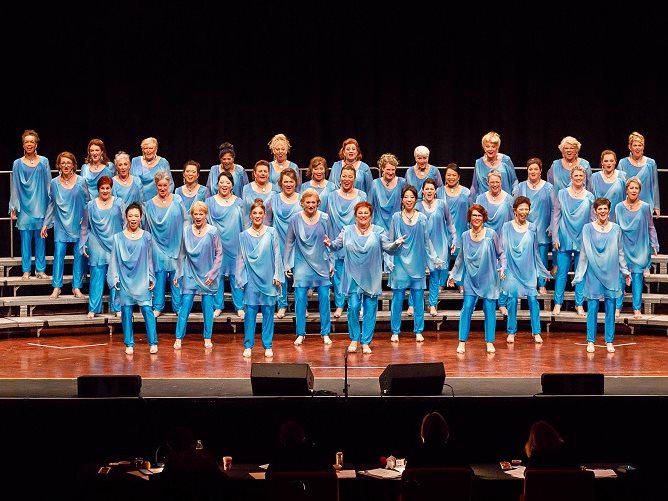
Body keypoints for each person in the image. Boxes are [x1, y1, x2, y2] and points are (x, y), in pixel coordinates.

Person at [325, 202, 404, 353]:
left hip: (371, 276)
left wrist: (396, 243)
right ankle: (354, 339)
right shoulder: (347, 230)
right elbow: (336, 246)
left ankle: (366, 341)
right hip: (352, 275)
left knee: (370, 309)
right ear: (355, 215)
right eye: (360, 213)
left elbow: (388, 248)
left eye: (366, 213)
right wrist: (329, 244)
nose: (363, 216)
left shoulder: (378, 231)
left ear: (371, 215)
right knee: (353, 307)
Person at [573, 198, 630, 353]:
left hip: (611, 273)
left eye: (605, 208)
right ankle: (590, 341)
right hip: (593, 272)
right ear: (595, 211)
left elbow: (620, 252)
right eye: (600, 209)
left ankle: (609, 341)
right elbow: (584, 252)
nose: (602, 211)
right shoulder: (587, 228)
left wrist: (625, 271)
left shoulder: (616, 229)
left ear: (609, 210)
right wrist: (579, 275)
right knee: (592, 308)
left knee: (610, 308)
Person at [448, 204, 506, 354]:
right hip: (471, 278)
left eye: (479, 215)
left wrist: (503, 267)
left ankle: (489, 341)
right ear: (470, 217)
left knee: (489, 309)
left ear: (483, 217)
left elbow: (501, 253)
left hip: (489, 278)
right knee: (467, 307)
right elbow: (460, 258)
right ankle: (462, 341)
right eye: (474, 215)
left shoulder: (491, 234)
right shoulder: (465, 235)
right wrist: (453, 274)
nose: (476, 218)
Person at [388, 185, 443, 342]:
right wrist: (389, 260)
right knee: (397, 300)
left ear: (416, 199)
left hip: (417, 262)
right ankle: (395, 331)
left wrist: (434, 258)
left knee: (418, 299)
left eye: (412, 197)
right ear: (402, 199)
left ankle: (418, 330)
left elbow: (427, 241)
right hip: (399, 263)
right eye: (406, 197)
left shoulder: (422, 218)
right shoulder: (396, 217)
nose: (409, 200)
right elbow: (390, 241)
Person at [107, 202, 158, 354]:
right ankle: (129, 343)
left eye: (136, 216)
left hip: (142, 278)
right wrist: (115, 278)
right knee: (126, 312)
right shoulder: (118, 238)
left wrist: (151, 277)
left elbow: (150, 259)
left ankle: (153, 342)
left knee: (147, 310)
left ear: (141, 217)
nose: (133, 218)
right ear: (126, 217)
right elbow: (114, 260)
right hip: (125, 280)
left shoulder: (147, 236)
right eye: (131, 216)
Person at [236, 200, 284, 358]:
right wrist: (240, 278)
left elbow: (277, 254)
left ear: (264, 215)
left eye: (260, 213)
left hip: (268, 278)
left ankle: (267, 345)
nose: (257, 216)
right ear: (250, 215)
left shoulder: (271, 232)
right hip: (251, 279)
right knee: (250, 314)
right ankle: (248, 345)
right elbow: (240, 259)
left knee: (268, 313)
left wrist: (278, 275)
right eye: (254, 213)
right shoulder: (243, 236)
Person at [284, 189, 332, 346]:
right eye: (308, 202)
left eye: (313, 202)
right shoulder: (295, 219)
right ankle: (300, 333)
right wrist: (287, 263)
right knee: (300, 299)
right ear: (302, 203)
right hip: (301, 264)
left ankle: (325, 333)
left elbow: (330, 241)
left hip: (322, 263)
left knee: (324, 299)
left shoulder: (325, 218)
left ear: (318, 203)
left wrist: (331, 262)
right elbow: (289, 242)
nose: (310, 205)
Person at [501, 197, 552, 344]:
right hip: (512, 269)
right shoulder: (506, 226)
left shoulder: (532, 227)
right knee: (512, 301)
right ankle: (511, 332)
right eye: (521, 209)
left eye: (526, 209)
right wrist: (503, 268)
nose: (524, 212)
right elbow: (503, 249)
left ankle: (536, 332)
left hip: (528, 270)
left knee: (533, 300)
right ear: (514, 211)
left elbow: (535, 252)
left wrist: (542, 270)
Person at [174, 201, 222, 350]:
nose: (198, 216)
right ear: (192, 215)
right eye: (196, 214)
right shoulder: (186, 231)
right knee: (184, 307)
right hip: (190, 273)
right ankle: (178, 338)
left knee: (208, 309)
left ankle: (207, 337)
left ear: (206, 215)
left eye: (201, 213)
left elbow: (219, 254)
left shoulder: (213, 231)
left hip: (207, 275)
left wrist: (213, 273)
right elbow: (181, 254)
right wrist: (178, 273)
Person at [41, 152, 89, 299]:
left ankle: (76, 287)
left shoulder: (81, 181)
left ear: (74, 165)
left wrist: (85, 221)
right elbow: (51, 204)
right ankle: (57, 287)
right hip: (61, 223)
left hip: (77, 223)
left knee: (79, 256)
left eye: (69, 163)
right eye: (63, 163)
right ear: (59, 165)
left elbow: (87, 203)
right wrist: (45, 224)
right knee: (58, 255)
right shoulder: (54, 183)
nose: (66, 165)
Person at [551, 166, 595, 315]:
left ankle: (579, 304)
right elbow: (556, 216)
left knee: (580, 272)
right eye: (575, 175)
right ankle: (558, 303)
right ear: (571, 177)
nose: (578, 178)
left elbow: (592, 219)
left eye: (581, 176)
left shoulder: (590, 196)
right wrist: (555, 237)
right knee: (561, 272)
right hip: (564, 236)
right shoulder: (562, 193)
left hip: (582, 237)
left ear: (584, 178)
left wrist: (591, 239)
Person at [324, 164, 367, 318]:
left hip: (356, 240)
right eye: (344, 176)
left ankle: (358, 305)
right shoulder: (331, 196)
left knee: (358, 274)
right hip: (336, 238)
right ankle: (340, 305)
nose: (347, 179)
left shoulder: (361, 195)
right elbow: (326, 217)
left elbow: (366, 217)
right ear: (339, 177)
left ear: (354, 178)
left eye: (350, 176)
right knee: (338, 276)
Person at [9, 129, 51, 280]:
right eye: (26, 142)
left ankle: (40, 269)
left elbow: (48, 184)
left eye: (32, 141)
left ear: (36, 144)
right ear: (23, 144)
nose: (29, 144)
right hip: (24, 207)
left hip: (40, 205)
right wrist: (13, 207)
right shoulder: (17, 163)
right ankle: (26, 270)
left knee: (41, 239)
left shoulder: (44, 161)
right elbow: (14, 186)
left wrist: (51, 205)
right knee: (25, 240)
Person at [143, 171, 187, 317]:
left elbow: (186, 220)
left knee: (176, 276)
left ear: (169, 185)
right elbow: (146, 228)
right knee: (159, 274)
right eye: (160, 185)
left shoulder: (177, 199)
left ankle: (178, 307)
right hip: (157, 244)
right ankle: (158, 306)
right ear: (156, 186)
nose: (162, 188)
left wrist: (185, 239)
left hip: (176, 243)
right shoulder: (149, 204)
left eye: (165, 185)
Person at [80, 176, 124, 318]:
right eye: (102, 188)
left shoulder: (119, 203)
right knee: (96, 277)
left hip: (115, 244)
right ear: (98, 189)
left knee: (116, 277)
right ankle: (93, 309)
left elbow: (125, 223)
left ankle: (117, 308)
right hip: (96, 244)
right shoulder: (90, 205)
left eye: (107, 188)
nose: (105, 191)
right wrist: (83, 243)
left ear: (111, 188)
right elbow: (85, 226)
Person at [615, 178, 659, 318]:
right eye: (631, 188)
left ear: (639, 190)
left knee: (638, 277)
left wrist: (654, 243)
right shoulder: (619, 207)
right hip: (623, 246)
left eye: (636, 188)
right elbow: (615, 228)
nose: (634, 190)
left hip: (640, 247)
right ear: (626, 190)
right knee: (621, 277)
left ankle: (637, 309)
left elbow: (651, 226)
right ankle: (617, 307)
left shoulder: (645, 207)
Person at [206, 171, 246, 319]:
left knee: (236, 274)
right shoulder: (209, 202)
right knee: (217, 274)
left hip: (235, 243)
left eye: (227, 182)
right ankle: (218, 306)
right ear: (217, 184)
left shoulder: (239, 202)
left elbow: (244, 224)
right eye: (221, 182)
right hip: (216, 244)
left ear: (232, 185)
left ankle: (239, 306)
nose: (224, 185)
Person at [513, 158, 554, 294]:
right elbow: (514, 207)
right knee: (524, 258)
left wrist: (552, 225)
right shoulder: (521, 187)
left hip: (542, 228)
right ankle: (525, 284)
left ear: (541, 170)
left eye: (536, 169)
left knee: (541, 258)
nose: (533, 171)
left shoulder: (548, 187)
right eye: (530, 169)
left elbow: (554, 208)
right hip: (524, 229)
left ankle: (541, 285)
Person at [265, 170, 302, 318]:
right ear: (281, 183)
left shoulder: (301, 198)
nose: (288, 184)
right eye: (285, 181)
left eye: (291, 181)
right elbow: (267, 220)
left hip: (298, 241)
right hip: (279, 239)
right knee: (280, 273)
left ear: (295, 183)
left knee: (299, 274)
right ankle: (282, 305)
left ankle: (301, 306)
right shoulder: (273, 199)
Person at [417, 179, 457, 316]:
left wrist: (454, 238)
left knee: (435, 275)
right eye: (427, 189)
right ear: (423, 191)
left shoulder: (442, 204)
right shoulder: (418, 205)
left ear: (435, 191)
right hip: (421, 245)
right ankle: (413, 304)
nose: (429, 191)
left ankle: (432, 304)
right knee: (418, 276)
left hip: (439, 243)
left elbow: (450, 224)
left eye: (431, 189)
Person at [476, 171, 513, 314]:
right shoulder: (480, 199)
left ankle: (502, 303)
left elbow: (512, 221)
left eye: (497, 182)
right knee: (485, 272)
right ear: (487, 183)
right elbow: (475, 219)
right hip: (485, 241)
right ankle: (484, 302)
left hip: (504, 240)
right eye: (492, 182)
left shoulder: (509, 199)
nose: (495, 184)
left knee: (503, 272)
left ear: (501, 182)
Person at [618, 131, 660, 216]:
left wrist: (656, 206)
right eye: (635, 145)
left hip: (647, 204)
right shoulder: (622, 163)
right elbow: (621, 187)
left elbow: (655, 185)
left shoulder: (651, 163)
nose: (637, 148)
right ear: (630, 147)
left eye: (640, 145)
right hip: (628, 205)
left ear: (643, 147)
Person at [266, 421, 330, 475]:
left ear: (282, 437)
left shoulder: (278, 457)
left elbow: (268, 476)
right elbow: (331, 472)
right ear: (302, 435)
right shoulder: (315, 454)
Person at [469, 131, 517, 202]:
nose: (490, 149)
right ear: (484, 148)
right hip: (484, 202)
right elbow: (474, 186)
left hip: (504, 202)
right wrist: (471, 201)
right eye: (487, 146)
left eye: (493, 146)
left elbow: (514, 181)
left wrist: (515, 196)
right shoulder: (478, 163)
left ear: (497, 147)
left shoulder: (506, 160)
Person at [368, 153, 406, 232]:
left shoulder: (402, 182)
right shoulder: (375, 183)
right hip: (378, 225)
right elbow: (370, 205)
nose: (391, 172)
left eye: (393, 169)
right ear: (382, 168)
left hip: (397, 224)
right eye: (388, 169)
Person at [588, 150, 626, 222]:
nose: (609, 163)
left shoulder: (622, 176)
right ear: (602, 163)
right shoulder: (594, 177)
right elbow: (590, 199)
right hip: (599, 218)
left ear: (615, 162)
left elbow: (626, 198)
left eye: (611, 161)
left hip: (618, 217)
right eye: (606, 161)